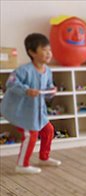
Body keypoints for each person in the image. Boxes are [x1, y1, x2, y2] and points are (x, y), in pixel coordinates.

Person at [1, 33, 61, 174]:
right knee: (30, 135)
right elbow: (11, 83)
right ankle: (22, 164)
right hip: (23, 112)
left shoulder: (48, 71)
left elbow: (48, 89)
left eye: (49, 50)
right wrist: (26, 90)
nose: (48, 53)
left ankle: (44, 157)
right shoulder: (23, 70)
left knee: (48, 130)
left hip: (38, 111)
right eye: (44, 50)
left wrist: (52, 91)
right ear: (32, 52)